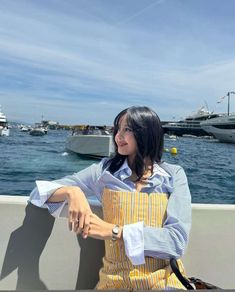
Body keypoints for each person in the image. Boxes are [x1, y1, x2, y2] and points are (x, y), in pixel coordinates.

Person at [29, 106, 191, 290]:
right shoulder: (103, 171)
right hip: (114, 283)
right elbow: (38, 193)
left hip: (165, 282)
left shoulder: (173, 175)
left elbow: (177, 242)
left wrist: (114, 232)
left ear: (147, 133)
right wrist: (72, 192)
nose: (118, 136)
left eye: (127, 129)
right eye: (117, 129)